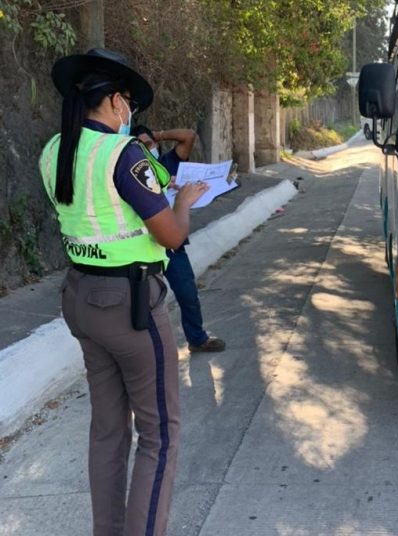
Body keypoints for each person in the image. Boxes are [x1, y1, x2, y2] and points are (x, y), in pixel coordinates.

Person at [39, 48, 208, 536]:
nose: (130, 112)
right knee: (159, 435)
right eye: (129, 103)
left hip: (80, 299)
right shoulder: (123, 154)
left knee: (108, 431)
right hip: (129, 306)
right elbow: (170, 236)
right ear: (115, 101)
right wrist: (184, 203)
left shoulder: (54, 151)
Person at [132, 125, 226, 353]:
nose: (146, 150)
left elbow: (189, 136)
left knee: (188, 293)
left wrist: (158, 134)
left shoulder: (169, 163)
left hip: (172, 244)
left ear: (156, 144)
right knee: (144, 301)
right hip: (143, 246)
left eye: (149, 144)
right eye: (139, 147)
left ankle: (197, 339)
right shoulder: (131, 173)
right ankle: (145, 350)